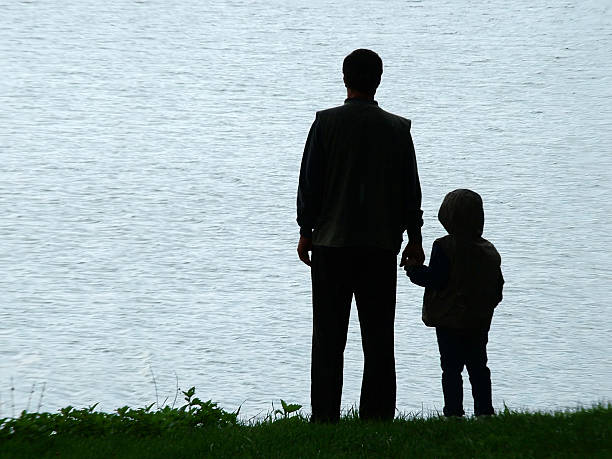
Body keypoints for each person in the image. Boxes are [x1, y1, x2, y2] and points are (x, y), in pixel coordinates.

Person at [296, 49, 424, 422]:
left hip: (331, 246)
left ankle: (325, 418)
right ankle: (377, 415)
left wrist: (306, 231)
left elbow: (310, 183)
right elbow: (409, 191)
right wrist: (414, 237)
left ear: (344, 78)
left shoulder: (324, 123)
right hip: (380, 246)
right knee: (379, 338)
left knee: (329, 339)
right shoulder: (398, 129)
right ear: (379, 79)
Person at [404, 189, 504, 417]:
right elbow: (497, 286)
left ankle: (453, 412)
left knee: (451, 368)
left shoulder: (444, 246)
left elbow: (436, 280)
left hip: (448, 320)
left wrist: (413, 270)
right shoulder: (488, 250)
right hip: (479, 320)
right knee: (479, 366)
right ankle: (485, 411)